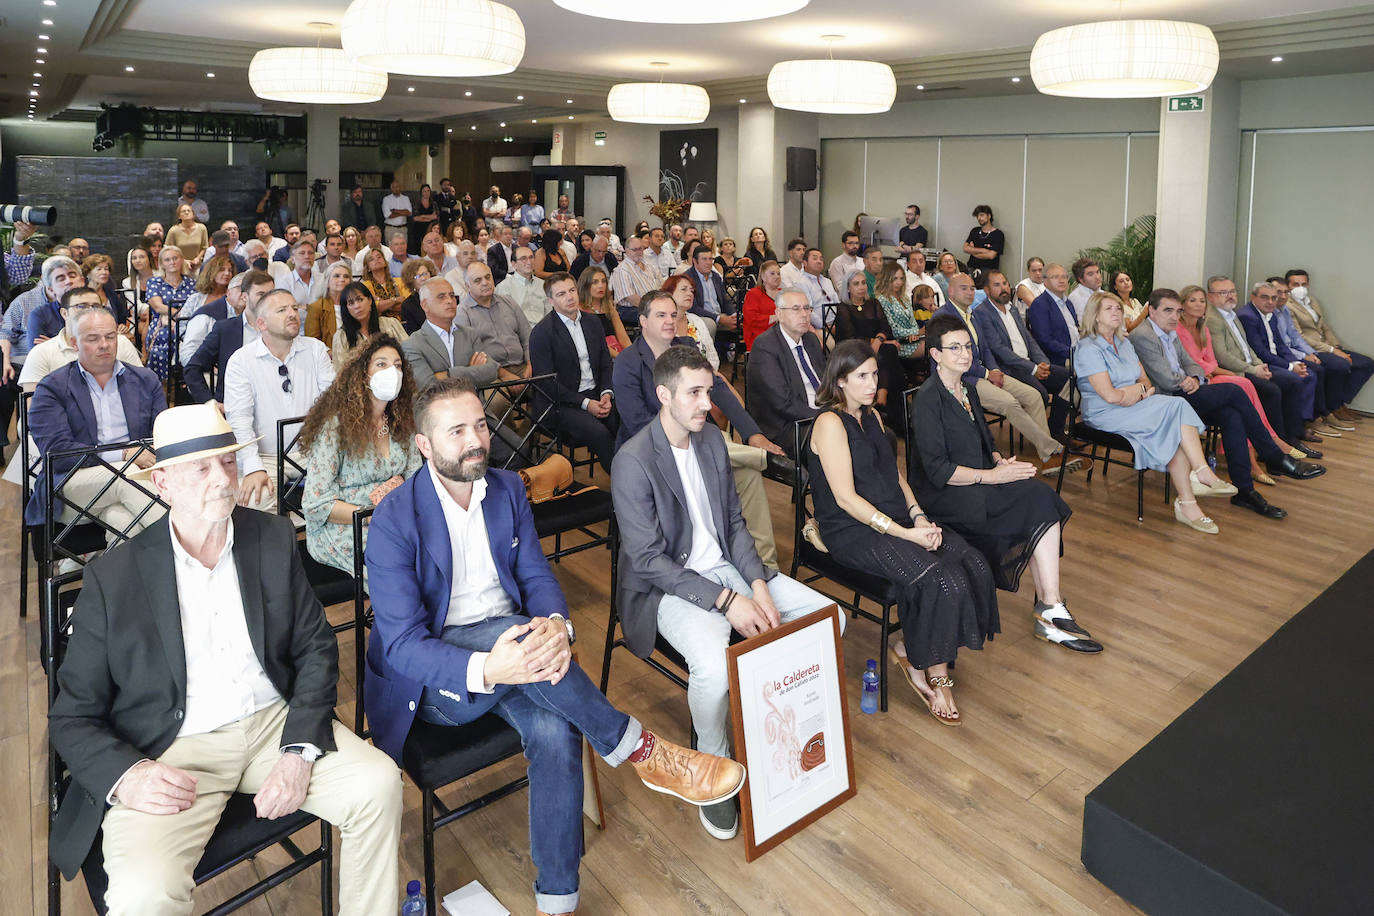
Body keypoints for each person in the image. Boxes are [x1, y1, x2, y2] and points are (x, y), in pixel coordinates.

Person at [365, 377, 746, 910]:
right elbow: (403, 645)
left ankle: (557, 899)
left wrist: (558, 629)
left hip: (520, 652)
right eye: (456, 431)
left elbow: (538, 577)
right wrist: (494, 665)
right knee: (517, 636)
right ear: (424, 445)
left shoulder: (505, 489)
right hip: (437, 681)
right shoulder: (393, 518)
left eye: (479, 424)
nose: (476, 438)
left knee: (554, 728)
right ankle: (643, 750)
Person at [48, 402, 402, 915]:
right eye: (201, 467)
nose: (222, 479)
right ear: (163, 483)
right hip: (171, 748)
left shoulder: (271, 538)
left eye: (228, 462)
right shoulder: (113, 578)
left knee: (378, 786)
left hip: (272, 727)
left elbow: (315, 647)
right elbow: (72, 716)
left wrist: (299, 750)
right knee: (143, 895)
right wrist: (131, 774)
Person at [612, 345, 828, 837]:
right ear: (663, 394)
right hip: (668, 586)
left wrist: (757, 584)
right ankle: (715, 763)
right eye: (694, 393)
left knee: (827, 617)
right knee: (713, 666)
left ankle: (787, 735)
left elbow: (733, 524)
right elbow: (648, 562)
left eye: (709, 391)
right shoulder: (633, 460)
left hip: (730, 571)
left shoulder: (709, 439)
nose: (707, 403)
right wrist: (729, 601)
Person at [810, 338, 1002, 725]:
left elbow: (894, 476)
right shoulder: (830, 423)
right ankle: (927, 666)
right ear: (840, 380)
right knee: (940, 577)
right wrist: (904, 532)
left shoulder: (873, 417)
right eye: (861, 376)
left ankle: (913, 643)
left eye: (874, 374)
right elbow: (846, 499)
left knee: (972, 563)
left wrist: (917, 517)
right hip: (852, 529)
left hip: (896, 519)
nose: (870, 383)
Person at [909, 317, 1094, 656]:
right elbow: (938, 471)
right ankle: (1049, 611)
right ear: (935, 354)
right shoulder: (927, 399)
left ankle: (1050, 605)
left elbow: (982, 441)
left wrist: (997, 460)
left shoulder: (966, 388)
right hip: (945, 496)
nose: (965, 354)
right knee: (1036, 505)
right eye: (955, 348)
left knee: (1040, 497)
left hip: (976, 480)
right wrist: (993, 476)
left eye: (967, 346)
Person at [614, 290, 784, 569]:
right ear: (643, 321)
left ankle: (766, 565)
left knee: (748, 474)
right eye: (661, 316)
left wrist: (753, 432)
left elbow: (720, 390)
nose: (670, 321)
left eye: (673, 315)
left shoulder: (686, 349)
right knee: (732, 454)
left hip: (701, 441)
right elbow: (636, 421)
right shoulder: (628, 361)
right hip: (651, 453)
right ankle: (762, 458)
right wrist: (689, 439)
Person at [1131, 288, 1323, 519]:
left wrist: (1194, 378)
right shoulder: (1143, 335)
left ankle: (1245, 491)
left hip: (1187, 392)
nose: (1174, 316)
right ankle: (1273, 455)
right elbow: (1164, 379)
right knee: (1233, 390)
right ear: (1151, 310)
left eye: (1177, 311)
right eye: (1168, 310)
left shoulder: (1170, 332)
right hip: (1168, 402)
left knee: (1232, 415)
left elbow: (1192, 364)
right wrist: (1189, 381)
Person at [1074, 292, 1228, 534]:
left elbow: (1146, 381)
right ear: (1094, 316)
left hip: (1135, 405)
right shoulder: (1088, 348)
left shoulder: (1124, 343)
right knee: (1175, 407)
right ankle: (1199, 477)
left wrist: (1135, 391)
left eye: (1118, 308)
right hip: (1104, 414)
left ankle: (1190, 502)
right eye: (1109, 309)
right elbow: (1110, 397)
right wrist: (1136, 391)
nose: (1117, 312)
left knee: (1175, 425)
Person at [25, 302, 166, 539]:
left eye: (110, 337)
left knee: (121, 520)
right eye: (93, 338)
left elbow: (162, 434)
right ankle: (188, 545)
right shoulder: (52, 387)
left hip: (138, 480)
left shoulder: (144, 379)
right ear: (74, 344)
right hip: (69, 484)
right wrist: (124, 454)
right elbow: (58, 454)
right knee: (123, 474)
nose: (104, 344)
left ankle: (118, 576)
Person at [300, 335, 421, 576]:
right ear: (363, 374)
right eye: (381, 364)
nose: (392, 372)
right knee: (400, 560)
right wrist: (371, 517)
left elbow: (417, 479)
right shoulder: (336, 427)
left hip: (396, 518)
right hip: (347, 526)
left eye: (398, 366)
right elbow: (315, 504)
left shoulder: (401, 422)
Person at [224, 289, 336, 512]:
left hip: (314, 452)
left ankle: (322, 543)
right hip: (265, 457)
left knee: (351, 486)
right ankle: (283, 544)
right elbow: (240, 421)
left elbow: (333, 404)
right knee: (256, 502)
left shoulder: (315, 350)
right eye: (282, 310)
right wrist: (253, 467)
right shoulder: (241, 361)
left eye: (294, 308)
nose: (292, 314)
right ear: (261, 324)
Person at [1204, 275, 1318, 456]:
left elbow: (1247, 347)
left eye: (1232, 291)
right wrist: (1254, 369)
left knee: (1291, 382)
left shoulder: (1231, 314)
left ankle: (1290, 438)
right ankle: (1275, 448)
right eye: (1223, 293)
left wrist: (1259, 365)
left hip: (1251, 366)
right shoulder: (1214, 318)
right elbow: (1223, 356)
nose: (1230, 296)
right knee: (1273, 390)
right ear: (1210, 297)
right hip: (1234, 372)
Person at [529, 272, 619, 474]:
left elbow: (605, 364)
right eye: (561, 294)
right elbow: (547, 384)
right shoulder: (542, 333)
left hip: (596, 393)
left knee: (624, 420)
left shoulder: (592, 322)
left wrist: (606, 393)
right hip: (561, 403)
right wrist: (586, 404)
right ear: (551, 301)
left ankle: (639, 477)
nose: (569, 297)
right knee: (599, 433)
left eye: (572, 290)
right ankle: (627, 488)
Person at [973, 270, 1071, 434]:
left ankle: (1056, 429)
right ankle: (1043, 440)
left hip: (1031, 363)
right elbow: (999, 349)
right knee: (1040, 394)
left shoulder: (1012, 309)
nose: (1004, 288)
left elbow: (1029, 339)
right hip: (1011, 369)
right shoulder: (982, 313)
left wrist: (1043, 363)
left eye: (1004, 283)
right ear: (987, 290)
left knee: (1069, 379)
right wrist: (1033, 369)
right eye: (997, 285)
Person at [1268, 274, 1365, 428]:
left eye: (1285, 292)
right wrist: (1308, 354)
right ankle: (1319, 415)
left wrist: (1329, 348)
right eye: (1279, 292)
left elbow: (1297, 334)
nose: (1283, 296)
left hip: (1309, 348)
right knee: (1321, 370)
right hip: (1288, 354)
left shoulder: (1288, 308)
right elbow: (1285, 343)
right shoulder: (1276, 311)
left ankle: (1332, 408)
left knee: (1363, 363)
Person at [1238, 280, 1330, 435]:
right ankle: (1291, 433)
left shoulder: (1271, 314)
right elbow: (1260, 352)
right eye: (1265, 297)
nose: (1271, 302)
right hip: (1262, 363)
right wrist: (1289, 367)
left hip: (1274, 360)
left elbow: (1280, 345)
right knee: (1294, 380)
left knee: (1307, 373)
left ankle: (1298, 427)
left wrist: (1295, 362)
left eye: (1274, 298)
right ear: (1253, 297)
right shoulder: (1248, 316)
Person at [747, 289, 826, 454]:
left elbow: (826, 381)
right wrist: (824, 417)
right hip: (788, 425)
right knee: (835, 442)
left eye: (807, 308)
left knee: (880, 434)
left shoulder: (811, 340)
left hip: (820, 414)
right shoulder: (765, 345)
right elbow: (782, 402)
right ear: (779, 314)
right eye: (796, 309)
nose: (804, 314)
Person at [19, 288, 143, 392]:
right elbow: (32, 406)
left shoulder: (120, 343)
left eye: (96, 306)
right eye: (81, 306)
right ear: (64, 313)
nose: (90, 311)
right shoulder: (41, 353)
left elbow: (140, 385)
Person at [834, 269, 905, 428]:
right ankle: (885, 403)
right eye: (856, 284)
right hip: (852, 350)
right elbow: (850, 336)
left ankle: (883, 401)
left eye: (864, 283)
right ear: (848, 288)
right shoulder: (844, 307)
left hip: (878, 348)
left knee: (889, 353)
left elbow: (886, 328)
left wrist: (879, 341)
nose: (861, 287)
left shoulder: (873, 303)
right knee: (890, 354)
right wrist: (877, 343)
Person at [401, 277, 499, 391]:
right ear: (425, 305)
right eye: (441, 297)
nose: (450, 301)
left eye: (452, 296)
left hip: (474, 405)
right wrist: (471, 371)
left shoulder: (470, 334)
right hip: (437, 407)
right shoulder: (412, 345)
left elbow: (491, 371)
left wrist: (448, 374)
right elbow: (428, 386)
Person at [456, 261, 531, 384]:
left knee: (551, 388)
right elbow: (472, 354)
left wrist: (530, 363)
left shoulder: (508, 302)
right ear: (467, 286)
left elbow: (527, 336)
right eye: (477, 280)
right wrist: (503, 374)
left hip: (522, 366)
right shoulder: (462, 313)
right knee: (497, 402)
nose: (485, 283)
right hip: (490, 374)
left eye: (487, 277)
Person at [144, 246, 195, 380]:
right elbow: (158, 306)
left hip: (188, 323)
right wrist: (179, 314)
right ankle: (162, 384)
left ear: (182, 260)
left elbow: (197, 305)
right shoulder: (154, 282)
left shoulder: (192, 283)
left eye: (175, 258)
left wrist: (182, 319)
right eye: (167, 260)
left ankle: (185, 383)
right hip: (163, 323)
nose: (172, 262)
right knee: (163, 339)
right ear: (161, 264)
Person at [333, 281, 408, 369]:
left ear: (370, 300)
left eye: (360, 299)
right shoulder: (341, 336)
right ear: (347, 309)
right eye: (351, 303)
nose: (357, 306)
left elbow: (409, 354)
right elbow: (341, 373)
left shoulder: (391, 324)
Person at [1027, 262, 1079, 366]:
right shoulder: (1040, 304)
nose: (1061, 280)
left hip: (1077, 352)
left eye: (1064, 277)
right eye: (1055, 277)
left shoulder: (1068, 303)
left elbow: (1076, 329)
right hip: (1060, 358)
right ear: (1045, 282)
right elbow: (1045, 340)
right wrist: (1073, 353)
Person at [873, 260, 925, 364]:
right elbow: (892, 329)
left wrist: (915, 334)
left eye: (901, 278)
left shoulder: (904, 298)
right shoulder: (882, 300)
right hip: (899, 344)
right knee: (935, 347)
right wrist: (916, 332)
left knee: (939, 342)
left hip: (914, 340)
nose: (899, 282)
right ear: (886, 279)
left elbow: (913, 322)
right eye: (894, 279)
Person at [663, 275, 718, 370]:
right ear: (669, 293)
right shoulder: (662, 323)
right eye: (684, 289)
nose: (690, 294)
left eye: (692, 291)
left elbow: (713, 358)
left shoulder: (697, 321)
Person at [610, 235, 664, 329]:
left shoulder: (649, 265)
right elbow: (631, 298)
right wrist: (653, 307)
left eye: (640, 249)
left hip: (653, 304)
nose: (638, 252)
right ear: (626, 250)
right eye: (634, 250)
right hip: (631, 309)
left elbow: (662, 285)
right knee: (658, 317)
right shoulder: (622, 270)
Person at [577, 265, 630, 354]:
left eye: (603, 281)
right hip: (597, 354)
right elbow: (594, 342)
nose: (601, 286)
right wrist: (620, 358)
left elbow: (623, 337)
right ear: (585, 285)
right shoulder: (579, 309)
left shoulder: (609, 307)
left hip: (617, 351)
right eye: (595, 282)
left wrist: (632, 355)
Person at [305, 261, 354, 346]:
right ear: (327, 282)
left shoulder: (355, 305)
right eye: (337, 276)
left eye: (346, 276)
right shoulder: (316, 307)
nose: (342, 279)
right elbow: (312, 342)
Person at [741, 260, 783, 350]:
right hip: (759, 337)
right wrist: (777, 317)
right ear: (763, 276)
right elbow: (752, 319)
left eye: (778, 274)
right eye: (772, 273)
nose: (776, 276)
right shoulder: (753, 294)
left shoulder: (784, 293)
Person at [962, 205, 1004, 285]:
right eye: (977, 216)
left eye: (981, 215)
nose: (979, 218)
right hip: (971, 269)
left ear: (989, 216)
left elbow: (991, 255)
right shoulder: (975, 231)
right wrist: (984, 250)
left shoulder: (998, 234)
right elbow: (965, 248)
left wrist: (973, 251)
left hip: (988, 271)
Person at [360, 247, 407, 318]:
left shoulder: (400, 281)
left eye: (379, 257)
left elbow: (406, 304)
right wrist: (395, 300)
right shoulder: (365, 286)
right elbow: (373, 308)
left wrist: (382, 302)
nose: (376, 260)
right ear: (368, 268)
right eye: (371, 259)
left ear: (385, 262)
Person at [276, 237, 319, 308]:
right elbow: (284, 308)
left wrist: (299, 306)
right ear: (292, 259)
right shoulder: (284, 282)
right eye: (302, 253)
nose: (307, 256)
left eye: (310, 253)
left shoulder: (322, 279)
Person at [165, 203, 209, 269]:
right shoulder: (173, 230)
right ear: (179, 216)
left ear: (193, 214)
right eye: (183, 211)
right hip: (179, 266)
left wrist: (197, 258)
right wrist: (183, 261)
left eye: (189, 211)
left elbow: (204, 247)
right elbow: (168, 249)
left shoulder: (202, 228)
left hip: (197, 266)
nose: (186, 212)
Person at [409, 183, 438, 251]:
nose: (426, 193)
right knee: (419, 249)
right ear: (421, 192)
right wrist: (429, 217)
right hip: (418, 230)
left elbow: (435, 216)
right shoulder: (416, 203)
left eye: (428, 191)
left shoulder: (434, 204)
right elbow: (415, 218)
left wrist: (422, 216)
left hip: (430, 229)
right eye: (424, 191)